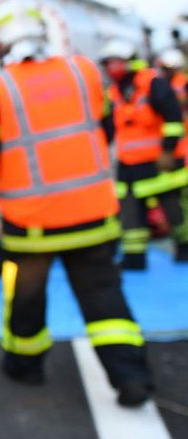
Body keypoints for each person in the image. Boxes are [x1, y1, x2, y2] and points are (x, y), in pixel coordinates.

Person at [0, 0, 153, 406]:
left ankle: (25, 368)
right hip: (93, 215)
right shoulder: (84, 72)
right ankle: (130, 379)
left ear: (1, 42)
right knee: (105, 299)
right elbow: (106, 131)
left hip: (32, 227)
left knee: (27, 300)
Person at [101, 40, 188, 268]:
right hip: (129, 165)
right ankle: (134, 257)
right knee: (130, 213)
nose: (112, 68)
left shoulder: (153, 84)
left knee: (174, 211)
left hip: (160, 162)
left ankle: (185, 248)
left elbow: (174, 119)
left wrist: (168, 150)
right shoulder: (114, 92)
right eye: (109, 64)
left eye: (116, 63)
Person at [156, 47, 188, 251]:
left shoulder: (183, 84)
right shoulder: (158, 86)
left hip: (182, 149)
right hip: (171, 149)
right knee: (173, 200)